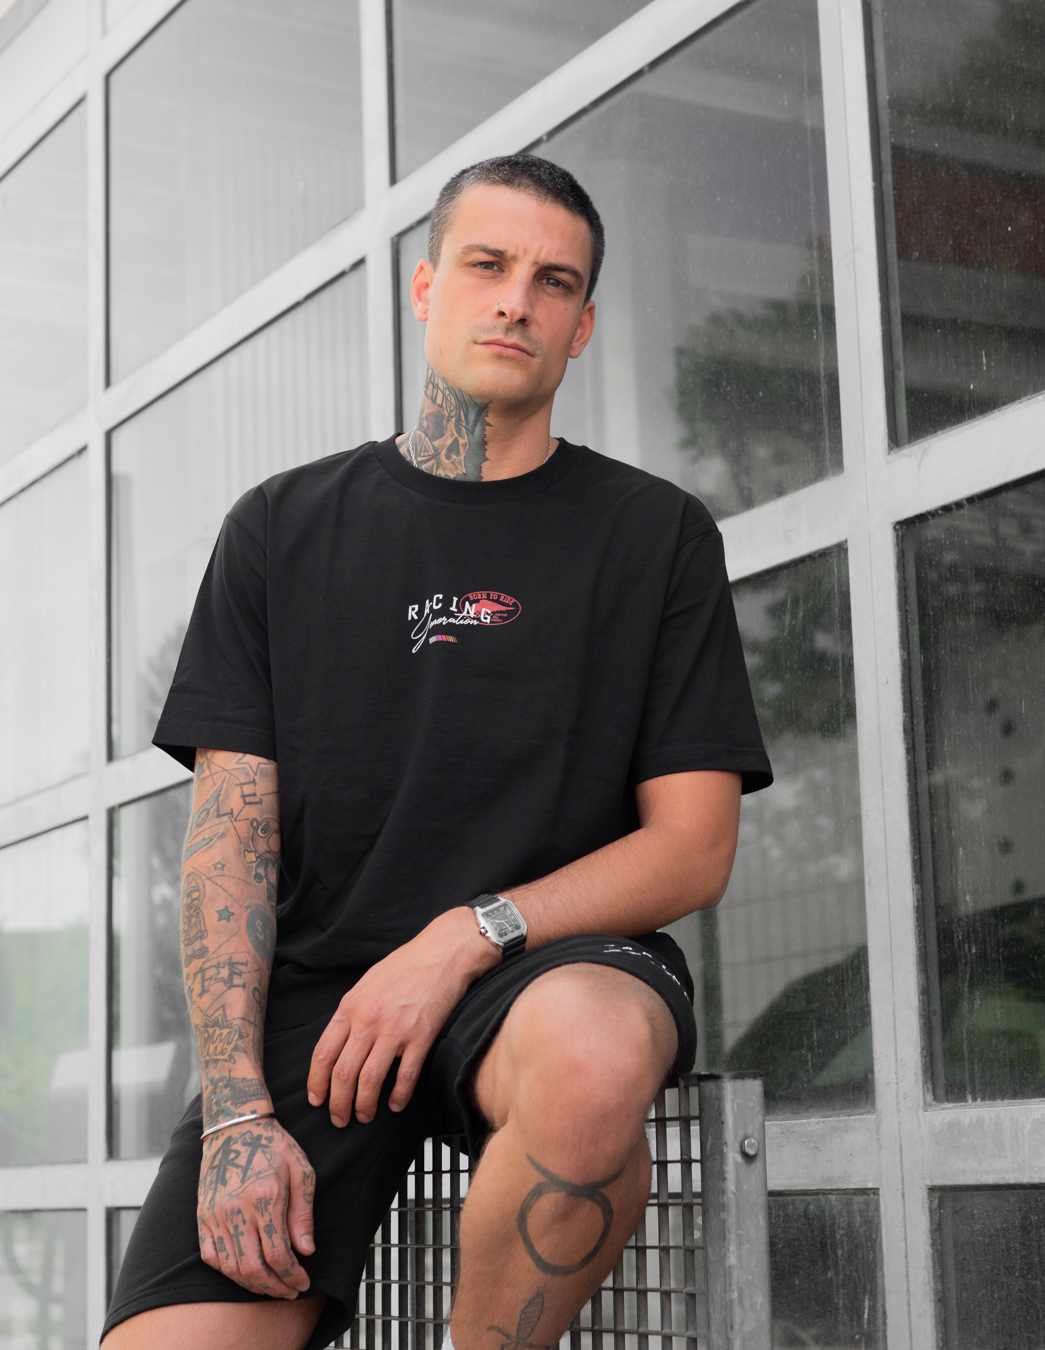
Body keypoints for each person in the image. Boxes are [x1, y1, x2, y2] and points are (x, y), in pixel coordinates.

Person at [102, 155, 772, 1350]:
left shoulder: (655, 535)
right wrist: (239, 1110)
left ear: (583, 327)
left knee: (592, 1053)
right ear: (424, 290)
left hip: (548, 962)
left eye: (554, 282)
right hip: (325, 1002)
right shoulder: (280, 529)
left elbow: (692, 848)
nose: (517, 299)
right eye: (487, 264)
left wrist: (465, 935)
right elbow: (230, 847)